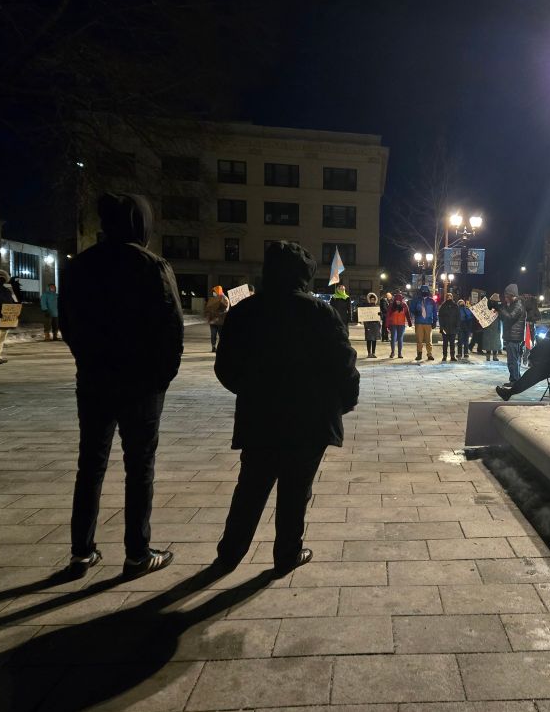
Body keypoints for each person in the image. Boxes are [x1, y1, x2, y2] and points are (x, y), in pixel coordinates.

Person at [213, 241, 359, 575]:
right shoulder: (319, 312)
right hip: (309, 418)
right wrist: (345, 400)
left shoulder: (246, 311)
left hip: (259, 415)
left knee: (251, 486)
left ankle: (230, 553)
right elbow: (344, 362)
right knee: (296, 489)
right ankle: (287, 553)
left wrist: (250, 390)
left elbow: (225, 365)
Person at [60, 193, 184, 579]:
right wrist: (161, 378)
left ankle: (81, 550)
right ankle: (137, 552)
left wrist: (87, 360)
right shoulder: (152, 266)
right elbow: (172, 328)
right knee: (139, 466)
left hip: (95, 379)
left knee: (90, 464)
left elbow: (68, 322)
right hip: (141, 384)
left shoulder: (81, 266)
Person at [496, 318, 550, 400]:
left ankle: (509, 393)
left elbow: (541, 348)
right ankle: (510, 392)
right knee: (531, 374)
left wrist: (532, 358)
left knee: (531, 375)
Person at [497, 283, 527, 384]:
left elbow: (510, 317)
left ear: (511, 295)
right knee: (513, 360)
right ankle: (516, 379)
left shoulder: (518, 305)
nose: (505, 299)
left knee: (512, 360)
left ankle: (515, 380)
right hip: (511, 336)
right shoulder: (513, 304)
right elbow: (505, 318)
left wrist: (501, 309)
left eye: (506, 296)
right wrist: (499, 311)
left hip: (514, 337)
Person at [409, 284, 437, 361]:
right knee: (419, 340)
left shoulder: (432, 301)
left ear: (428, 292)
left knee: (429, 340)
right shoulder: (416, 300)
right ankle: (419, 354)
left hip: (428, 322)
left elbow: (434, 312)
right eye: (423, 291)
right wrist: (415, 312)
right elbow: (411, 309)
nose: (424, 292)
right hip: (419, 322)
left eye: (426, 291)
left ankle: (429, 354)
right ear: (420, 291)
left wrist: (434, 321)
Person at [384, 290, 411, 359]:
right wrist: (387, 325)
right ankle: (392, 352)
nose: (398, 302)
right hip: (393, 324)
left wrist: (409, 323)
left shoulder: (404, 305)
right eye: (397, 300)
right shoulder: (391, 305)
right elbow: (388, 315)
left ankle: (399, 353)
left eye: (399, 300)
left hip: (401, 325)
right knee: (393, 339)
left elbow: (407, 314)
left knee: (400, 339)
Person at [204, 285, 229, 352]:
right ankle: (213, 347)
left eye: (214, 291)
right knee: (213, 334)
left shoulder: (224, 298)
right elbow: (208, 308)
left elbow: (225, 309)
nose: (213, 293)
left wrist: (217, 309)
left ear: (218, 291)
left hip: (220, 321)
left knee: (221, 335)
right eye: (213, 291)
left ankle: (221, 347)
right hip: (213, 320)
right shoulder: (213, 298)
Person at [437, 292, 459, 362]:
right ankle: (444, 356)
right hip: (445, 328)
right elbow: (440, 317)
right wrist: (441, 327)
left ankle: (452, 356)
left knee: (452, 343)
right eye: (448, 297)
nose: (449, 298)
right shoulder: (443, 306)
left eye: (450, 297)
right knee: (445, 343)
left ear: (452, 297)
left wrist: (457, 326)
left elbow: (458, 317)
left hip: (453, 328)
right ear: (446, 298)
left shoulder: (455, 306)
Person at [481, 293, 502, 361]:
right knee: (495, 341)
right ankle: (494, 357)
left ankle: (488, 356)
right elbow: (501, 316)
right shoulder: (498, 307)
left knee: (488, 341)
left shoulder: (487, 305)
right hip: (495, 326)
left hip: (488, 325)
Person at [363, 291, 382, 358]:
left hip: (375, 325)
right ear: (369, 300)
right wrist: (365, 325)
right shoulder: (366, 307)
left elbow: (380, 316)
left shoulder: (377, 307)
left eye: (374, 299)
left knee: (374, 339)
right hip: (369, 325)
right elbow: (364, 316)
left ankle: (373, 353)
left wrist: (380, 314)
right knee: (369, 339)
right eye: (371, 299)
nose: (372, 300)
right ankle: (369, 353)